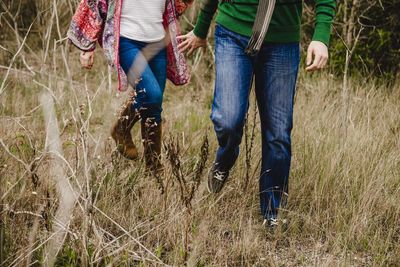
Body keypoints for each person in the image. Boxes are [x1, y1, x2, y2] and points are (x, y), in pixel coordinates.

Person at [178, 0, 335, 226]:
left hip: (281, 42)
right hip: (233, 33)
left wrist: (321, 36)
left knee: (278, 133)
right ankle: (225, 158)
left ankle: (271, 213)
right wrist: (201, 29)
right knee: (228, 120)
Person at [67, 0, 191, 172]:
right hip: (127, 41)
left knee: (153, 105)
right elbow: (95, 3)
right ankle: (121, 128)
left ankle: (154, 169)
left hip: (158, 42)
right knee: (152, 95)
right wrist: (87, 47)